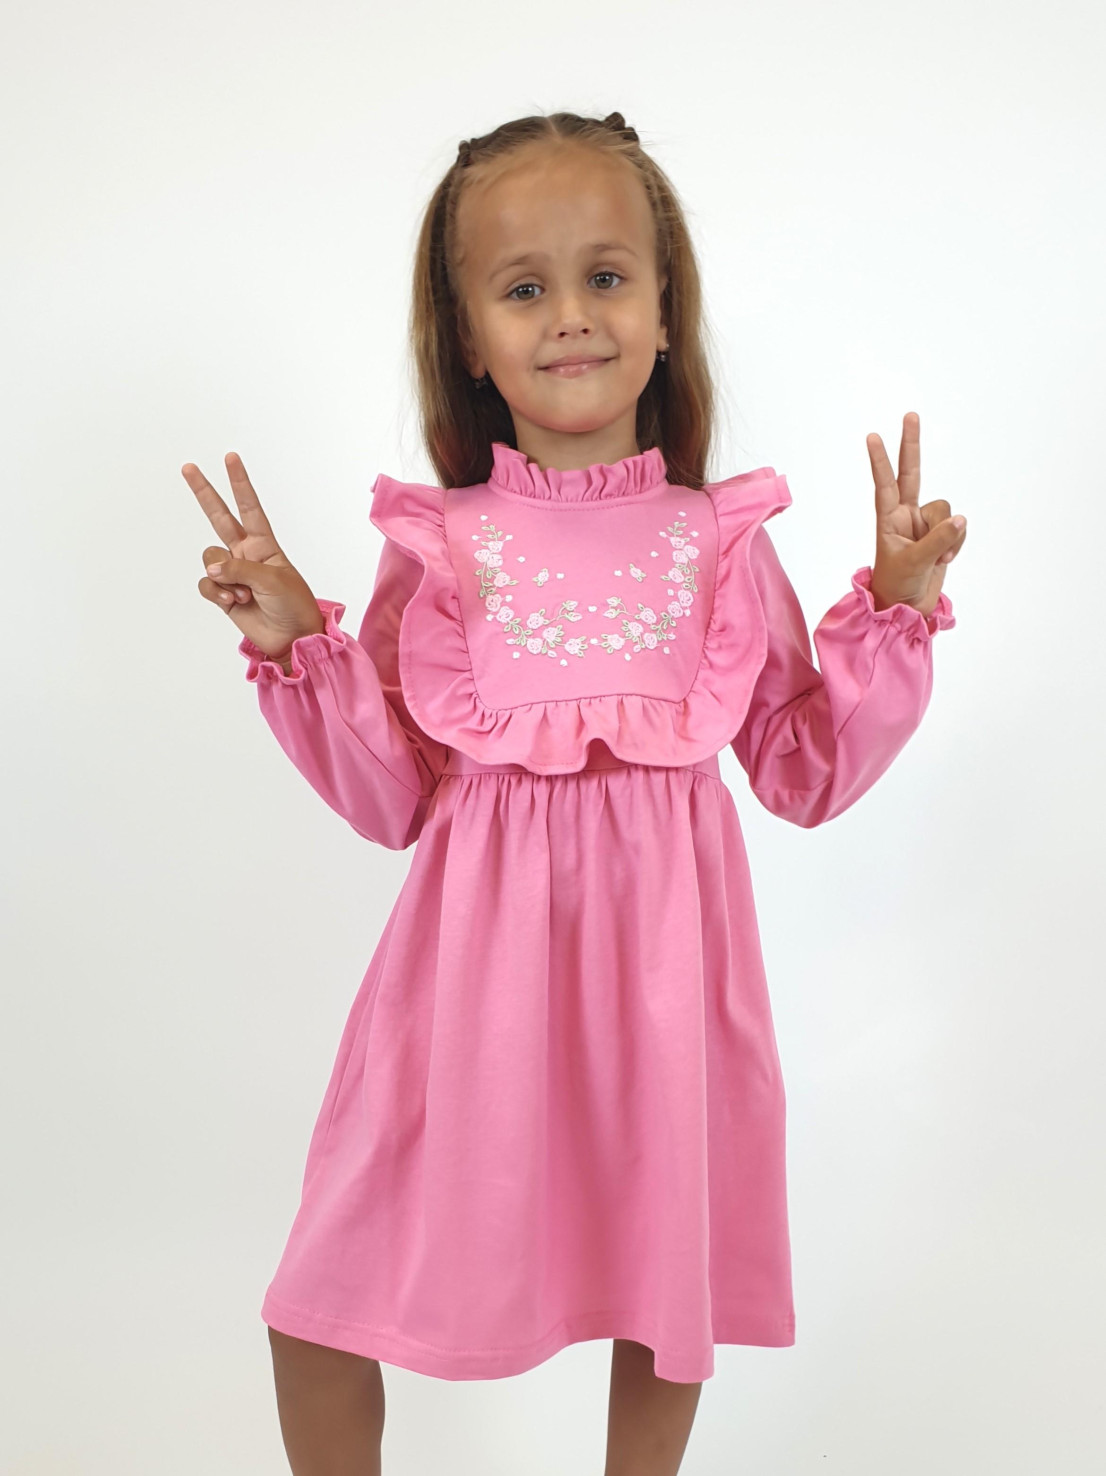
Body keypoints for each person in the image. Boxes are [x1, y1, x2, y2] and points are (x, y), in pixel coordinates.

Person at [182, 110, 966, 1476]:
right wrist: (294, 642)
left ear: (665, 311)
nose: (570, 318)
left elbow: (803, 770)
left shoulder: (716, 542)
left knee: (662, 1297)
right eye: (523, 288)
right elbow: (390, 796)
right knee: (322, 1307)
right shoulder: (441, 547)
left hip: (665, 992)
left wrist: (894, 609)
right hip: (464, 999)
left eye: (605, 277)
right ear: (467, 338)